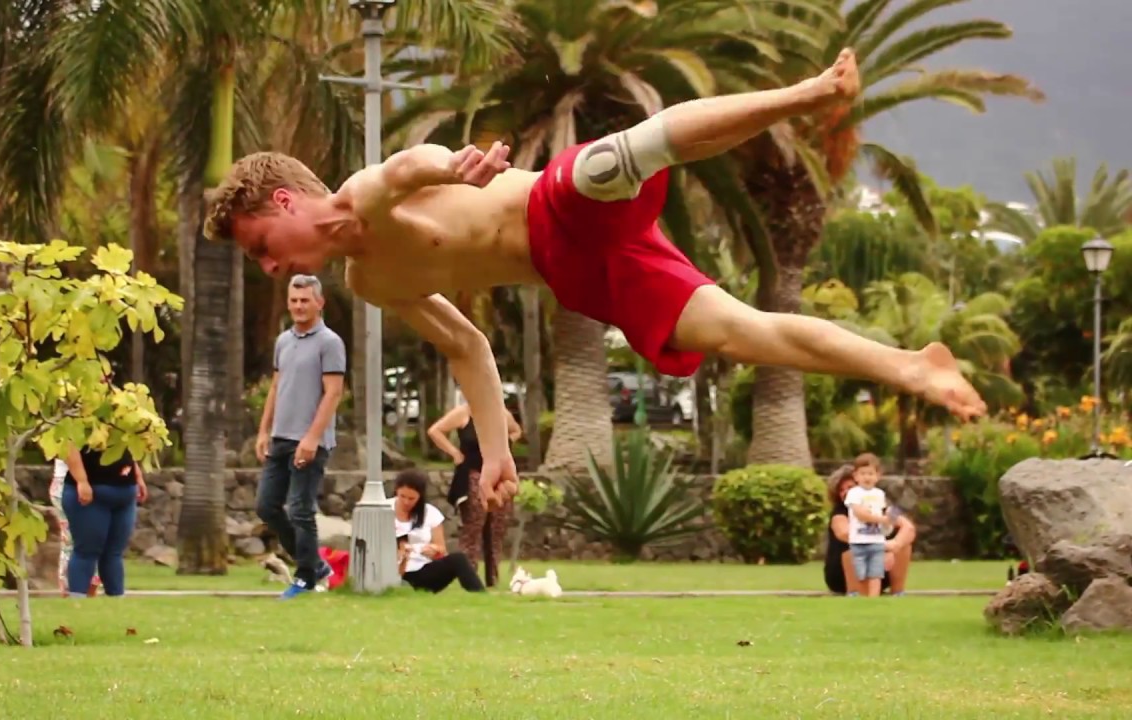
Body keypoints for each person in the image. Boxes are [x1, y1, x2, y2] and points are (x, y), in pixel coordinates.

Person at [204, 48, 988, 511]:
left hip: (558, 205)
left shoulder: (367, 191)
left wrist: (459, 165)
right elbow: (468, 348)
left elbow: (412, 166)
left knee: (620, 157)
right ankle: (911, 364)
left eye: (263, 248)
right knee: (745, 333)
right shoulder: (372, 284)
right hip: (580, 273)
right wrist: (496, 453)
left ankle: (813, 92)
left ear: (283, 201)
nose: (271, 269)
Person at [254, 274, 346, 599]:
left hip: (311, 441)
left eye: (305, 300)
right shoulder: (284, 341)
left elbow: (333, 393)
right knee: (266, 507)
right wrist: (264, 430)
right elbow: (276, 387)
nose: (298, 306)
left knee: (300, 509)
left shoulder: (330, 342)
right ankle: (314, 564)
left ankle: (306, 578)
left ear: (319, 303)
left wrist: (311, 438)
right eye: (294, 300)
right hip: (280, 437)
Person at [427, 401, 523, 587]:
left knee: (496, 529)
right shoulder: (464, 413)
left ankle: (492, 578)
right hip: (473, 475)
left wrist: (507, 445)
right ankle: (469, 577)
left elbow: (516, 430)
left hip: (498, 479)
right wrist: (454, 452)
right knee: (473, 527)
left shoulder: (502, 414)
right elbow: (435, 431)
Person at [60, 444, 148, 598]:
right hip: (91, 492)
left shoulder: (122, 422)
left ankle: (116, 600)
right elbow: (68, 446)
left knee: (114, 552)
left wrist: (138, 476)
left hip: (125, 492)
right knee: (87, 551)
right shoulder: (81, 421)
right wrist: (81, 480)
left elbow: (127, 445)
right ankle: (77, 601)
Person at [823, 458, 916, 596]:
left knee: (904, 546)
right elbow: (844, 533)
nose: (845, 492)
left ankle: (898, 593)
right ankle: (855, 592)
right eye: (841, 490)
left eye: (849, 487)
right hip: (844, 573)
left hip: (878, 564)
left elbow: (908, 528)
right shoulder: (841, 511)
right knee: (853, 552)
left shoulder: (878, 503)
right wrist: (881, 547)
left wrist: (895, 545)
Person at [392, 469, 485, 593]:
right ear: (396, 492)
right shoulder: (383, 510)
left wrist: (434, 551)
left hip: (421, 569)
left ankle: (479, 594)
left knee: (458, 559)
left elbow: (441, 550)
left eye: (411, 498)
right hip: (393, 570)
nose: (406, 502)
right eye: (402, 496)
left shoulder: (430, 513)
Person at [49, 457, 101, 597]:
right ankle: (74, 592)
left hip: (91, 483)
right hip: (71, 483)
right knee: (74, 542)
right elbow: (70, 450)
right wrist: (81, 481)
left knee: (94, 538)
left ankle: (86, 591)